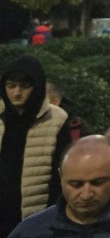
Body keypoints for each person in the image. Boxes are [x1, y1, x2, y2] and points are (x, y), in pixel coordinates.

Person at [9, 134, 110, 238]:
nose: (86, 194)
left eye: (97, 183)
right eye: (76, 184)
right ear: (61, 177)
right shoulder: (31, 231)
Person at [0, 55, 72, 236]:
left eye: (24, 87)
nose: (16, 93)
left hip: (36, 218)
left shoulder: (56, 119)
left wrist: (53, 217)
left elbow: (60, 174)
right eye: (10, 86)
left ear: (36, 86)